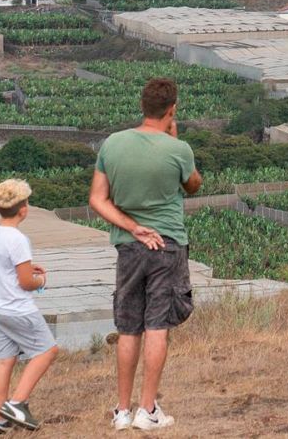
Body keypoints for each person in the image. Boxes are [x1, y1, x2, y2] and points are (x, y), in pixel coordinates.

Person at [90, 77, 201, 432]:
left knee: (128, 328)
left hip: (128, 246)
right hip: (167, 245)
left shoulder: (112, 144)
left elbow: (97, 199)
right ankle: (147, 408)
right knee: (157, 326)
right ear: (172, 109)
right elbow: (194, 184)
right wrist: (172, 139)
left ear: (142, 106)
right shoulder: (178, 148)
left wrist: (132, 227)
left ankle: (122, 410)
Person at [0, 178, 59, 434]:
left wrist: (25, 269)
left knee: (5, 361)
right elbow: (27, 282)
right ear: (23, 208)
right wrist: (41, 280)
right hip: (18, 310)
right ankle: (17, 403)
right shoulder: (17, 238)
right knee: (47, 351)